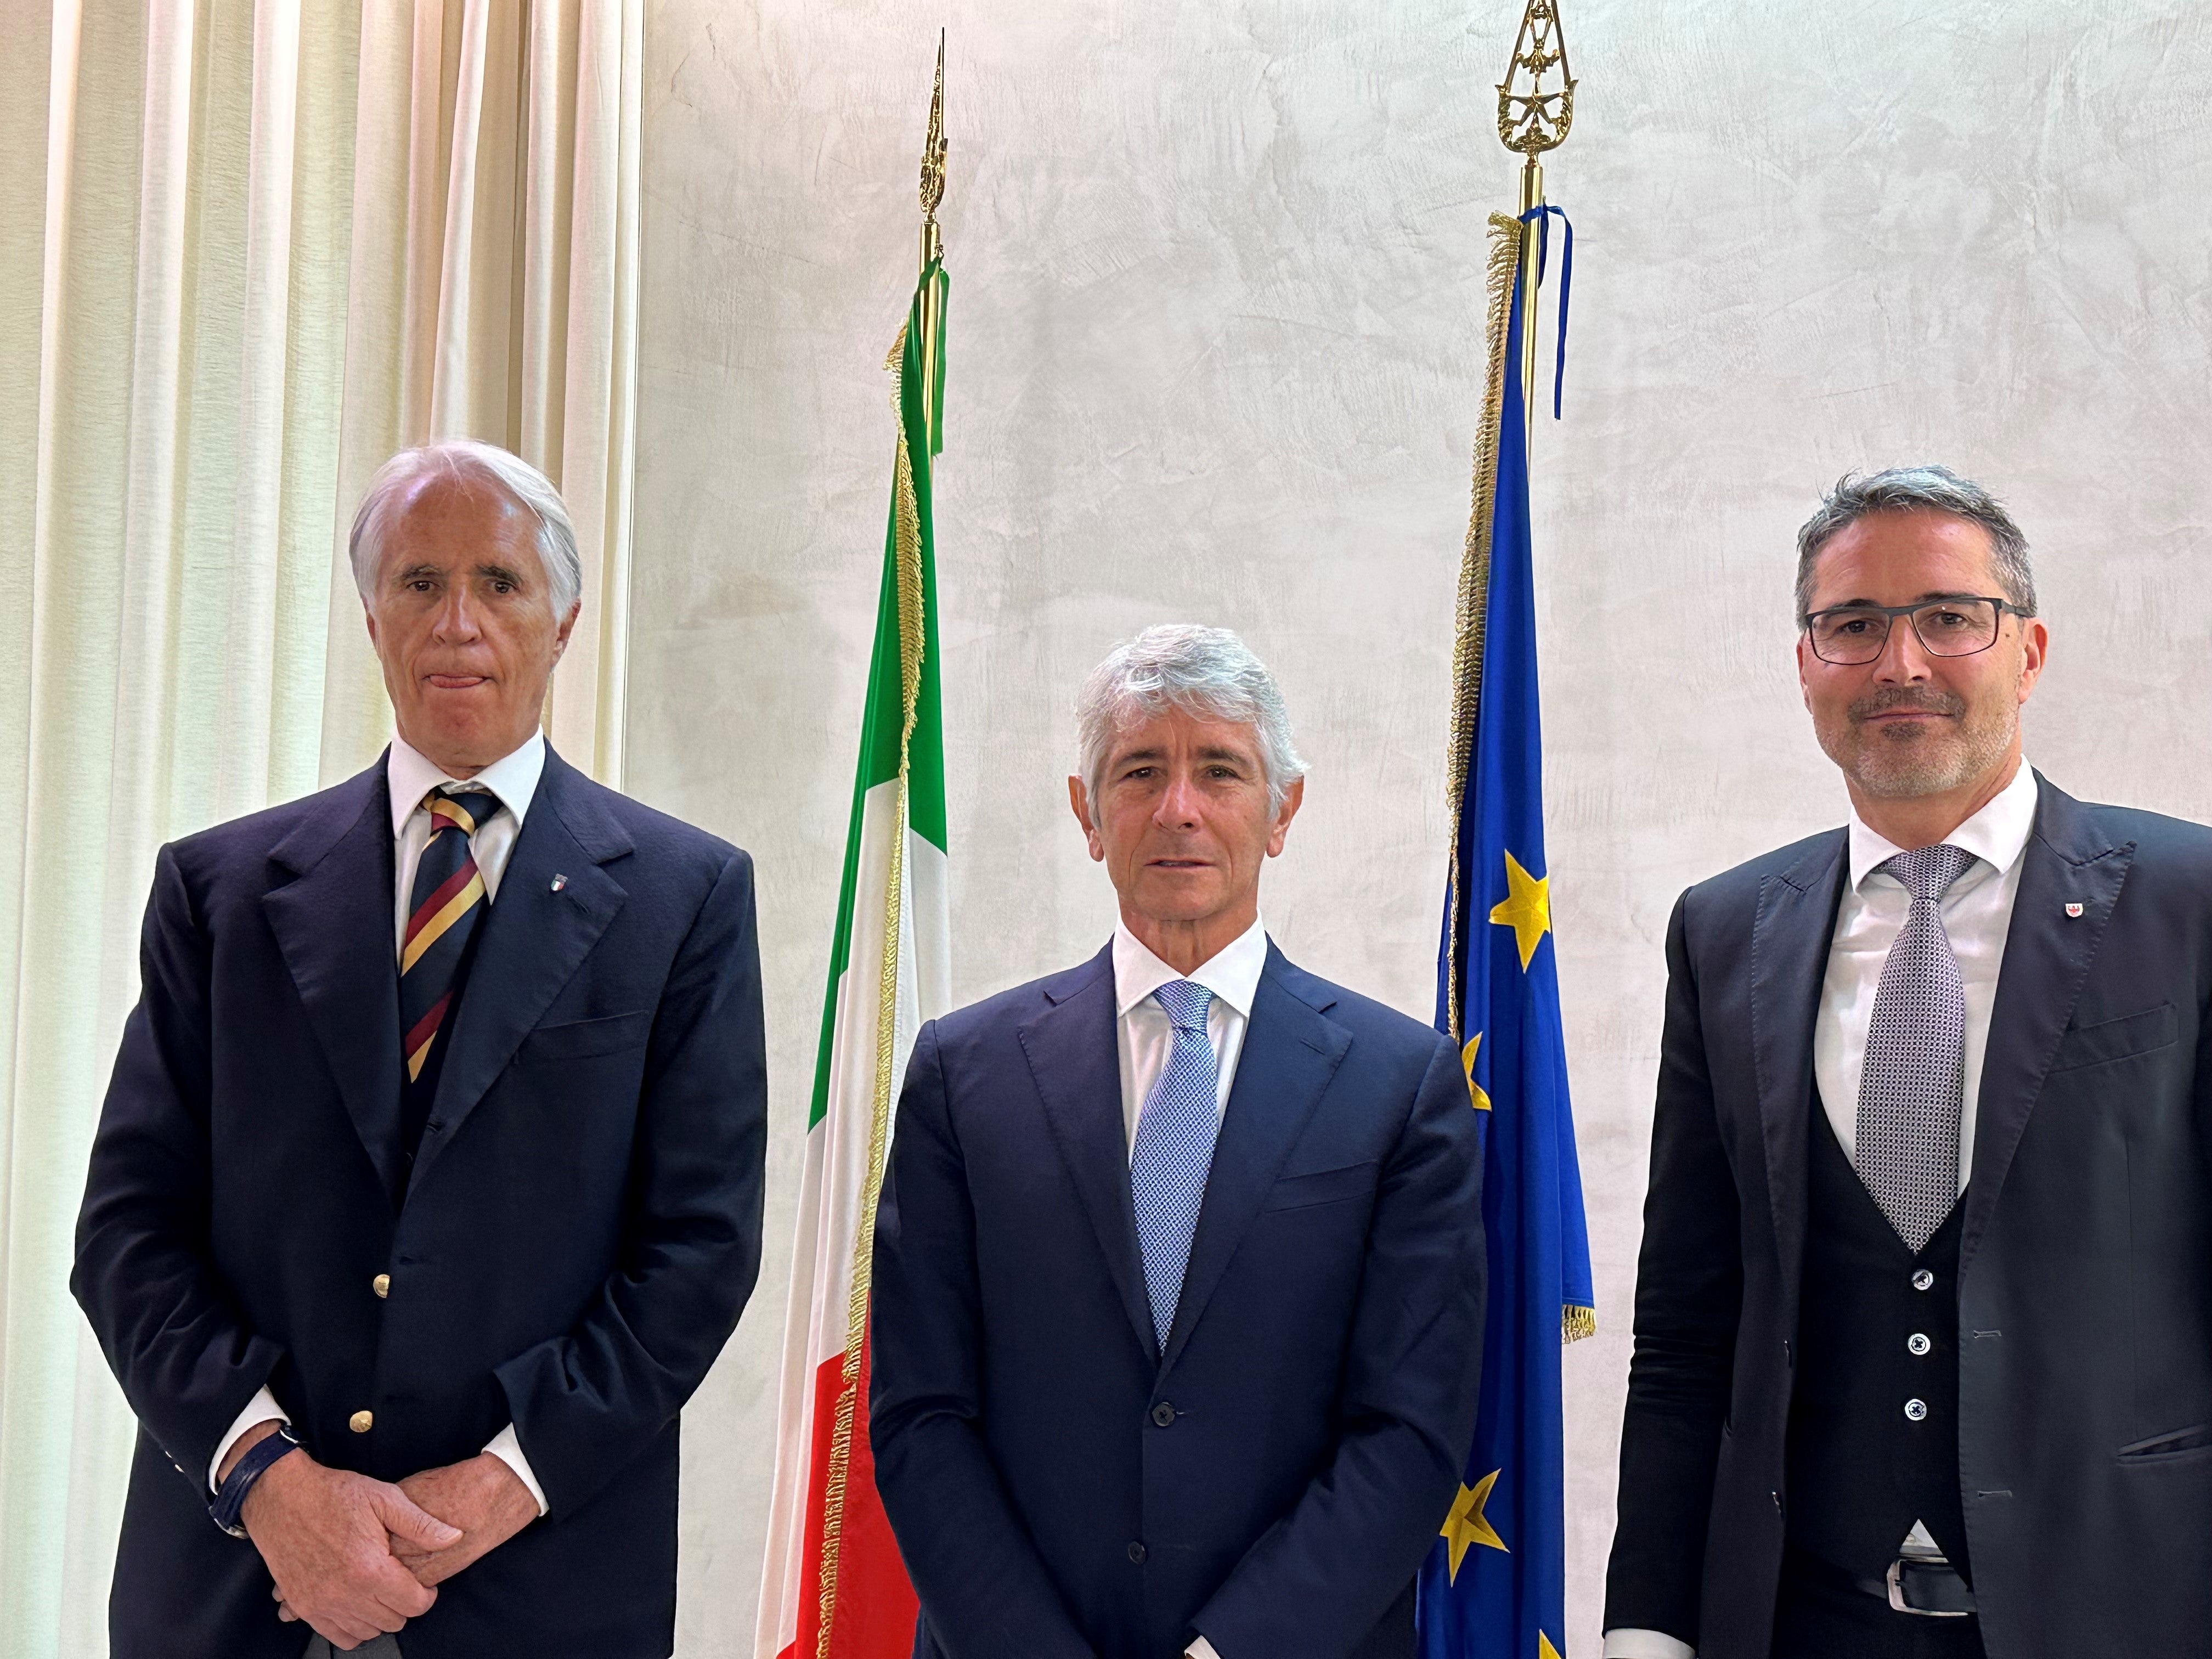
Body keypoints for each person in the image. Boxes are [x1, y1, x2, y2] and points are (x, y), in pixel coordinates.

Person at [72, 439, 768, 1659]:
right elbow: (128, 1233)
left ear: (563, 623)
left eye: (499, 582)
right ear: (371, 616)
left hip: (540, 1590)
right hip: (238, 1590)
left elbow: (697, 1253)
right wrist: (269, 1480)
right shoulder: (216, 893)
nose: (458, 623)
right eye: (420, 582)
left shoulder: (685, 898)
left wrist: (496, 1488)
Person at [1602, 467, 2212, 1657]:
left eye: (1948, 616)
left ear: (2028, 652)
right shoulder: (1725, 931)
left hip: (2129, 1609)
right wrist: (1648, 1626)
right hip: (1806, 1622)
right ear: (1805, 665)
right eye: (1853, 625)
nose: (1900, 663)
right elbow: (1687, 1329)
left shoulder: (2189, 903)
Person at [869, 624, 1487, 1659]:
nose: (1179, 809)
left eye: (1222, 771)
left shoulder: (1401, 1086)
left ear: (1283, 809)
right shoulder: (962, 1075)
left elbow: (1410, 1429)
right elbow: (921, 1412)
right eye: (1141, 770)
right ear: (1087, 811)